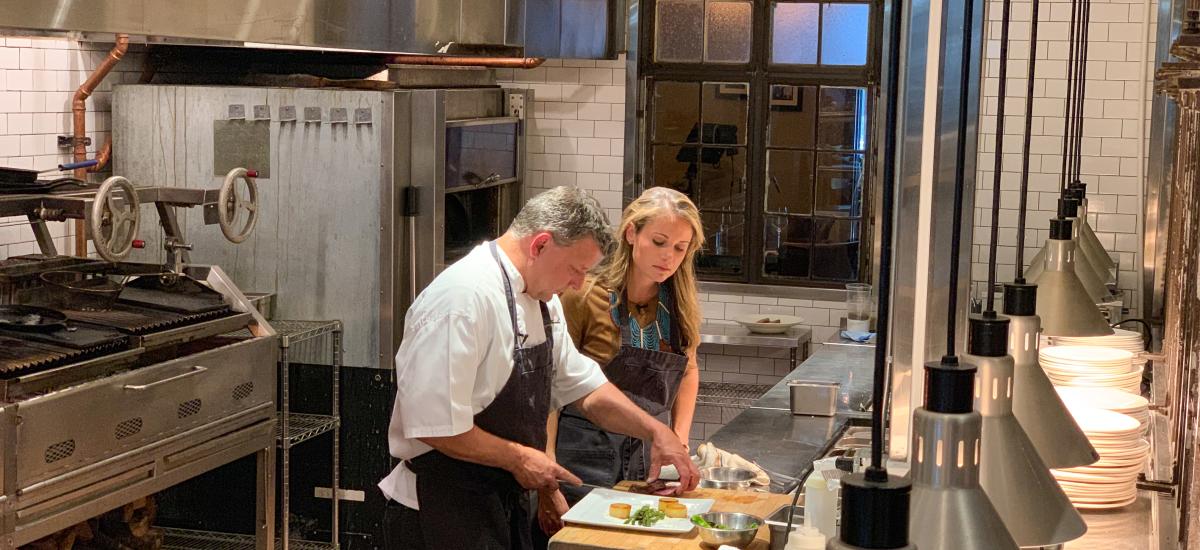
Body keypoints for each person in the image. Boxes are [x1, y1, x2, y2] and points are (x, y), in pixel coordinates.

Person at [378, 186, 700, 550]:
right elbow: (434, 426)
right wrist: (520, 458)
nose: (579, 283)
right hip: (440, 511)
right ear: (540, 245)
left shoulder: (542, 301)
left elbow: (585, 388)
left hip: (497, 504)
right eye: (576, 269)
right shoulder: (462, 300)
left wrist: (657, 432)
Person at [535, 187, 705, 537]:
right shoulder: (584, 294)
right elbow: (550, 385)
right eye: (659, 242)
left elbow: (688, 369)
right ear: (631, 233)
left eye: (679, 248)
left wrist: (678, 441)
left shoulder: (679, 304)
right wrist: (547, 471)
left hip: (646, 463)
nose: (668, 257)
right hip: (582, 458)